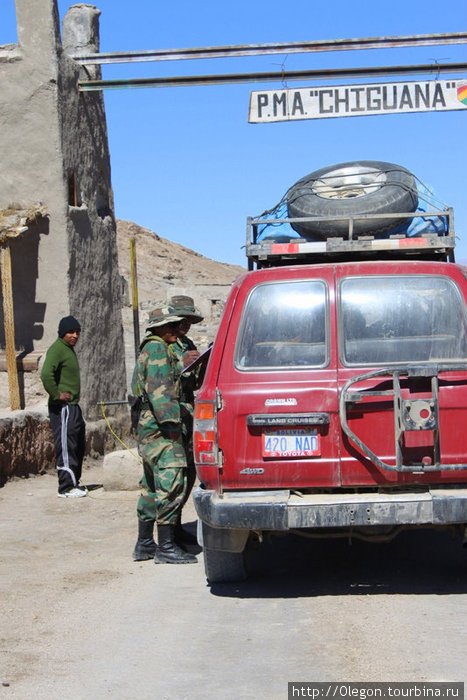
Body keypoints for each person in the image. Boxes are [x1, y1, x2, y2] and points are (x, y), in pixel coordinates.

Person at [131, 305, 197, 564]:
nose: (176, 330)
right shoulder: (157, 348)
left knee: (150, 487)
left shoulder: (150, 347)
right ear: (158, 327)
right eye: (171, 325)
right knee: (171, 482)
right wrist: (173, 427)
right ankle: (166, 547)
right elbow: (161, 392)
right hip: (162, 429)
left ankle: (145, 544)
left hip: (148, 428)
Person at [169, 295, 204, 546]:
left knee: (188, 473)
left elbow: (195, 381)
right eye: (182, 319)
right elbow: (155, 382)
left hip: (186, 415)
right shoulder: (161, 346)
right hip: (169, 418)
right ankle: (166, 535)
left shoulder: (186, 343)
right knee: (171, 477)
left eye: (189, 320)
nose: (186, 324)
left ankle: (177, 526)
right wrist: (182, 365)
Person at [40, 315, 87, 498]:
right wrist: (57, 394)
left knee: (77, 443)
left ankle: (74, 482)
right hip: (63, 407)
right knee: (66, 445)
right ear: (62, 333)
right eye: (70, 332)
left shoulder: (68, 349)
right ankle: (65, 487)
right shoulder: (57, 349)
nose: (75, 335)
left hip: (73, 406)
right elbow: (46, 374)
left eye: (77, 332)